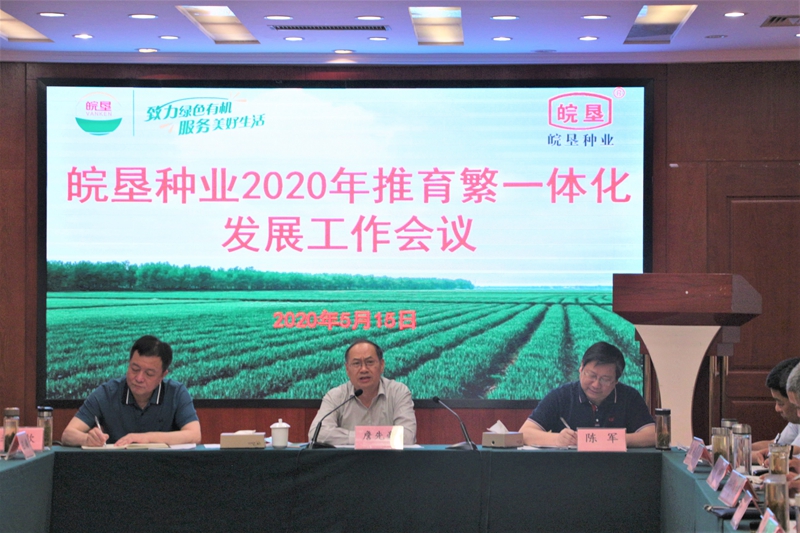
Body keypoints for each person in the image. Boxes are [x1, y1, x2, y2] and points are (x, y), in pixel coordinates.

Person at [61, 335, 201, 447]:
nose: (139, 378)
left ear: (163, 375)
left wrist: (146, 438)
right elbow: (68, 434)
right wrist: (87, 439)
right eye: (134, 369)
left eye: (149, 374)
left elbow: (194, 435)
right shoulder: (107, 393)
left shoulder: (176, 392)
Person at [519, 341, 655, 447]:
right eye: (591, 375)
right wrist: (558, 439)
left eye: (605, 379)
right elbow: (525, 433)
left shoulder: (629, 397)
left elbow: (653, 435)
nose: (596, 384)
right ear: (581, 367)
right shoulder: (561, 396)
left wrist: (615, 439)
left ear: (616, 381)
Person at [307, 339, 416, 446]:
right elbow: (316, 434)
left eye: (370, 362)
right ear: (347, 369)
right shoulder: (335, 396)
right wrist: (362, 438)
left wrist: (355, 438)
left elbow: (407, 436)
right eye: (356, 363)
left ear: (382, 365)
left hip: (389, 458)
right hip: (349, 458)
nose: (364, 369)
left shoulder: (398, 392)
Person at [752, 358, 800, 465]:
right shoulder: (796, 422)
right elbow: (779, 446)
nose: (777, 409)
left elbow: (787, 460)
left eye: (781, 403)